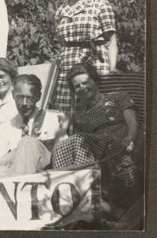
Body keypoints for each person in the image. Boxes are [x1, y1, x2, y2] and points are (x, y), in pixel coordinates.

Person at [52, 63, 139, 209]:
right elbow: (79, 149)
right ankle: (72, 190)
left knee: (78, 139)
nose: (82, 88)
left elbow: (133, 123)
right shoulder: (78, 116)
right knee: (64, 145)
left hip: (119, 143)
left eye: (85, 82)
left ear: (95, 81)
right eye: (77, 86)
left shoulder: (118, 97)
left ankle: (82, 192)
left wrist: (130, 139)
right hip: (97, 156)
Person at [52, 0, 118, 115]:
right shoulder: (61, 10)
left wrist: (112, 70)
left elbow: (112, 41)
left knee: (98, 111)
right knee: (66, 114)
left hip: (93, 64)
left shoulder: (100, 5)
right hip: (67, 67)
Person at [0, 74, 68, 176]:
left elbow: (64, 155)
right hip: (16, 172)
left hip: (44, 175)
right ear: (13, 95)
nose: (24, 103)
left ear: (38, 97)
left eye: (29, 98)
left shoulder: (51, 120)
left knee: (27, 142)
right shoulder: (8, 126)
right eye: (20, 97)